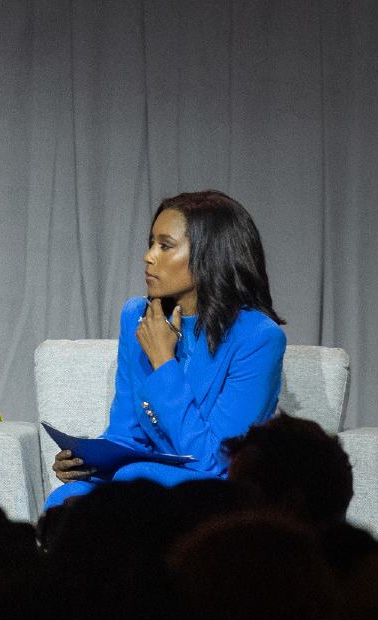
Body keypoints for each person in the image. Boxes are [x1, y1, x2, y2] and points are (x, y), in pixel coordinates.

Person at [46, 190, 287, 510]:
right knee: (65, 498)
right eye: (150, 243)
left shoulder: (258, 338)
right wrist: (88, 462)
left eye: (165, 245)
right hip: (139, 482)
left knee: (135, 476)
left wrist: (163, 362)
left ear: (209, 254)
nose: (149, 256)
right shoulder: (137, 315)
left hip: (216, 490)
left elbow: (215, 461)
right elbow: (126, 434)